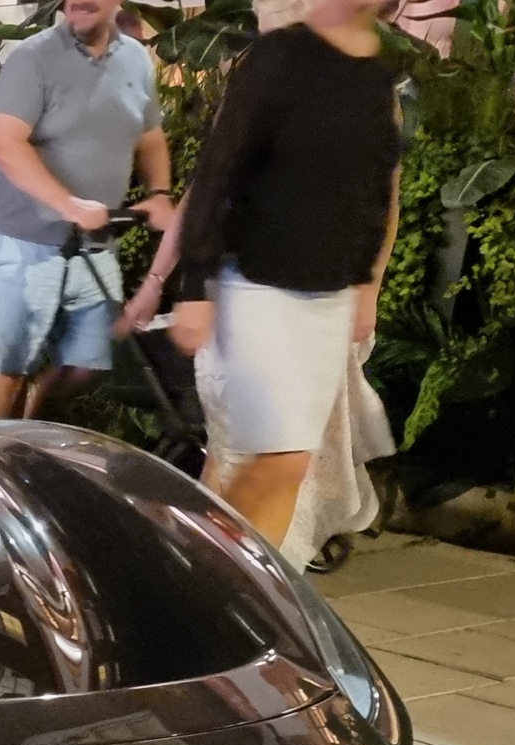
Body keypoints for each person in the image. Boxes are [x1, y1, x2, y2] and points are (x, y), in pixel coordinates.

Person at [157, 0, 403, 550]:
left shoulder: (375, 76)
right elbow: (217, 172)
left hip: (326, 297)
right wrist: (190, 286)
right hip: (255, 288)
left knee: (252, 465)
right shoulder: (278, 58)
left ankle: (192, 574)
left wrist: (367, 282)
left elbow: (378, 192)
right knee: (281, 461)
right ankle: (237, 598)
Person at [0, 0, 174, 422]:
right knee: (12, 367)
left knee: (88, 364)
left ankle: (32, 438)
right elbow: (5, 144)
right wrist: (67, 204)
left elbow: (151, 136)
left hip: (96, 243)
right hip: (23, 239)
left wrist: (159, 193)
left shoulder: (136, 59)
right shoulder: (32, 57)